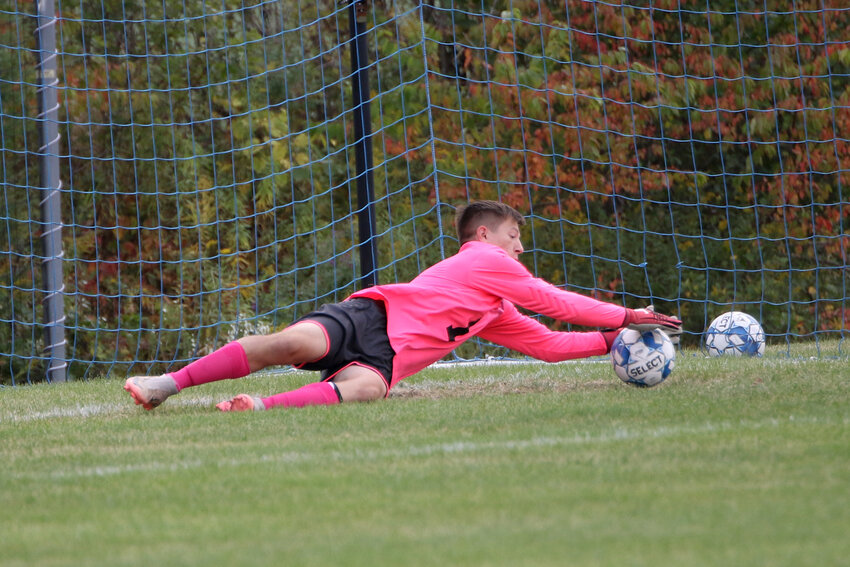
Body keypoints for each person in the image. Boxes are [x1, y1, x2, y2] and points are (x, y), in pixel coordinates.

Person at [124, 200, 682, 412]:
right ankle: (165, 385)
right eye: (515, 237)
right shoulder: (483, 260)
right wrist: (626, 315)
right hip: (373, 317)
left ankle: (259, 406)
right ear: (485, 236)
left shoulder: (493, 308)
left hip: (385, 361)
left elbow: (549, 345)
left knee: (366, 389)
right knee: (292, 343)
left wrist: (614, 340)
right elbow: (551, 300)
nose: (520, 248)